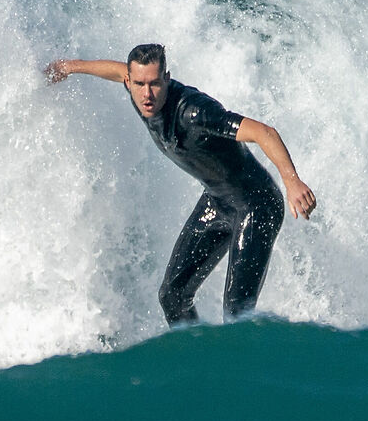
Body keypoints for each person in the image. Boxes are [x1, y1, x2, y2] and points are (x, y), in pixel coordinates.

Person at [43, 43, 319, 325]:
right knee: (172, 295)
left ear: (167, 78)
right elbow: (116, 70)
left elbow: (263, 132)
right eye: (139, 84)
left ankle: (246, 365)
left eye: (154, 84)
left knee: (237, 313)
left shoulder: (195, 113)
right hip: (218, 202)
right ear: (130, 81)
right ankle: (198, 361)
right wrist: (71, 66)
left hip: (257, 204)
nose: (147, 94)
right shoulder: (137, 89)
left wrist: (292, 181)